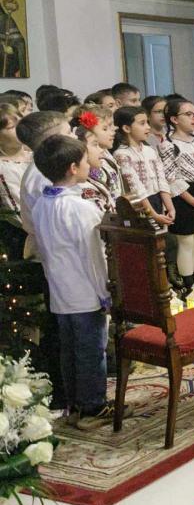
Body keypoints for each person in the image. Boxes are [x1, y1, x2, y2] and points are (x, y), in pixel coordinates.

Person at [30, 134, 113, 419]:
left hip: (60, 290)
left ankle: (75, 402)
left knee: (70, 349)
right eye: (84, 160)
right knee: (91, 351)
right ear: (73, 168)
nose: (89, 164)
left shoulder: (42, 203)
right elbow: (94, 257)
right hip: (85, 291)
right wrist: (105, 292)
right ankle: (93, 406)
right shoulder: (80, 208)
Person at [159, 98, 194, 289]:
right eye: (188, 114)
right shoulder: (168, 144)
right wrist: (191, 199)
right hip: (183, 195)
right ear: (174, 119)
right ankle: (189, 285)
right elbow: (171, 176)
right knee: (187, 242)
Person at [113, 105, 173, 228]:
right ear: (126, 128)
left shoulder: (150, 150)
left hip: (157, 200)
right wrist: (153, 215)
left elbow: (162, 179)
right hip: (139, 205)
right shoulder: (122, 154)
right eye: (142, 123)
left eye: (147, 123)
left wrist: (170, 207)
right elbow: (136, 188)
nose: (148, 127)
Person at [0, 100, 30, 216]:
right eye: (12, 127)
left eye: (21, 123)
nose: (21, 129)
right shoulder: (4, 168)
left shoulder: (35, 155)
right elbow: (18, 210)